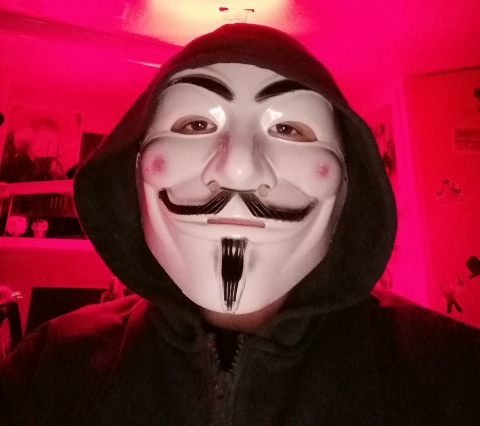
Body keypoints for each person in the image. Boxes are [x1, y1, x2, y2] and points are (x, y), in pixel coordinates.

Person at [1, 24, 479, 425]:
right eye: (194, 125)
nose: (238, 170)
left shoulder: (447, 373)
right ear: (136, 161)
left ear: (348, 178)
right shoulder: (52, 370)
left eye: (289, 129)